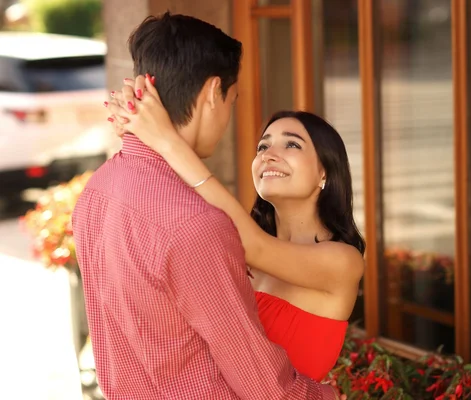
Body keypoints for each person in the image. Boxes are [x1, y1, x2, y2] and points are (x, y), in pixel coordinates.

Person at [73, 12, 341, 399]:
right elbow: (266, 387)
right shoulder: (194, 224)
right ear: (214, 93)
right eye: (233, 100)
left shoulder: (97, 191)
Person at [106, 76, 366, 383]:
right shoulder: (238, 246)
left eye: (292, 144)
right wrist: (139, 127)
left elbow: (254, 246)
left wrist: (164, 138)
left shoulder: (343, 261)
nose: (268, 153)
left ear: (325, 171)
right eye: (263, 146)